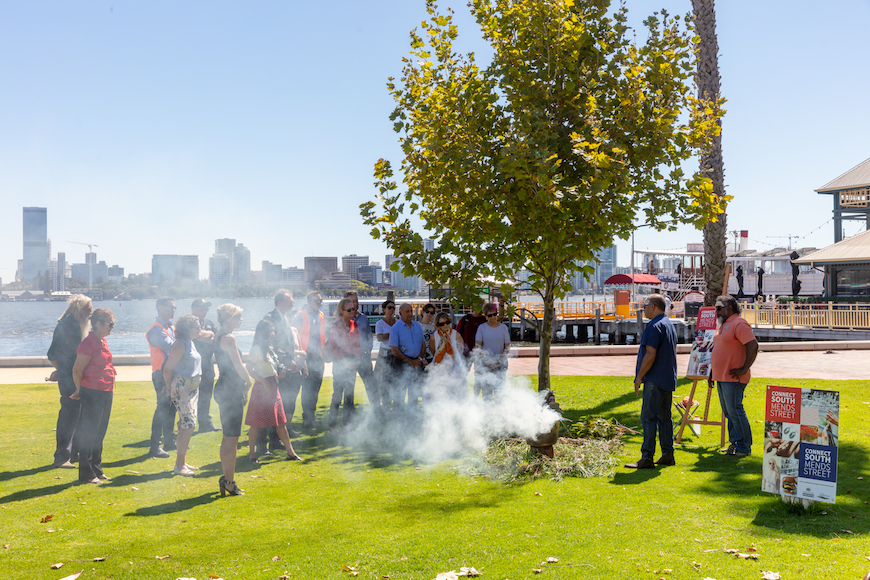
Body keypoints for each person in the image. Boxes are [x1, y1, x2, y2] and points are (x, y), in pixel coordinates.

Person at [626, 294, 678, 469]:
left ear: (654, 306)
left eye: (645, 305)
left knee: (648, 417)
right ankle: (667, 454)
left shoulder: (654, 326)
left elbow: (650, 354)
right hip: (667, 378)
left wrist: (639, 377)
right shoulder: (668, 324)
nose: (643, 309)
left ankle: (647, 456)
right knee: (665, 418)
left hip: (655, 379)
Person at [245, 320, 303, 463]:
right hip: (262, 388)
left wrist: (278, 376)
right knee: (256, 423)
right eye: (271, 331)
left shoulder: (270, 348)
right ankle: (251, 454)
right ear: (265, 332)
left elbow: (269, 370)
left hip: (273, 386)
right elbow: (249, 368)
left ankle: (291, 452)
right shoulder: (256, 349)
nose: (273, 333)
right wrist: (263, 381)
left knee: (280, 422)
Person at [70, 308, 117, 484]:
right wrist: (80, 390)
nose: (112, 327)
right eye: (110, 324)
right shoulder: (88, 343)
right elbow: (77, 370)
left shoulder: (102, 341)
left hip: (105, 391)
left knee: (100, 432)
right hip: (92, 392)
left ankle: (96, 468)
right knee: (89, 432)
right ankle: (86, 473)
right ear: (98, 324)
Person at [709, 294, 758, 457]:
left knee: (735, 410)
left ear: (729, 308)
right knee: (729, 412)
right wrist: (712, 371)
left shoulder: (739, 323)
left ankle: (744, 447)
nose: (716, 311)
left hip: (733, 378)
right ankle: (735, 443)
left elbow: (752, 345)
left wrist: (744, 368)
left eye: (719, 308)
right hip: (721, 376)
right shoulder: (723, 324)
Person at [47, 294, 92, 468]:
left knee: (78, 415)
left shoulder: (79, 324)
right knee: (69, 414)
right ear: (79, 309)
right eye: (88, 308)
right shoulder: (66, 326)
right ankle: (61, 457)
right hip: (69, 377)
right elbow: (53, 354)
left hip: (77, 375)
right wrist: (61, 371)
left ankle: (74, 454)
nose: (91, 311)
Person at [213, 303, 254, 496]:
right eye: (238, 317)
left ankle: (227, 478)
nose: (241, 320)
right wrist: (249, 381)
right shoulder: (228, 338)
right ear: (229, 318)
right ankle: (229, 482)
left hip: (227, 388)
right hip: (229, 390)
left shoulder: (218, 335)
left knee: (230, 437)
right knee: (231, 438)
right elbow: (238, 365)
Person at [260, 290, 306, 453]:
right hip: (275, 369)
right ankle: (261, 445)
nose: (293, 303)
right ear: (280, 302)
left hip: (288, 369)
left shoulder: (285, 318)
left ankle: (275, 440)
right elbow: (271, 345)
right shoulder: (269, 318)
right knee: (270, 406)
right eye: (290, 301)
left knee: (282, 405)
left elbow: (288, 343)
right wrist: (287, 361)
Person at [162, 314, 203, 477]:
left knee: (185, 426)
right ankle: (179, 466)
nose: (200, 329)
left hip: (192, 390)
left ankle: (182, 462)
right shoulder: (179, 344)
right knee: (188, 425)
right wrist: (167, 387)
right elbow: (167, 368)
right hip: (182, 389)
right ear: (188, 328)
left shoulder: (191, 342)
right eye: (197, 326)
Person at [146, 297, 177, 458]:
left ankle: (169, 441)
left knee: (171, 408)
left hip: (169, 372)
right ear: (160, 308)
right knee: (162, 408)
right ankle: (155, 446)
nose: (174, 310)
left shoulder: (170, 327)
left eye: (174, 307)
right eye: (171, 307)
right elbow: (172, 348)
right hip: (160, 373)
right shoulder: (156, 329)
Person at [292, 291, 326, 430]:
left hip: (319, 356)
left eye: (320, 301)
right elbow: (293, 336)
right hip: (306, 357)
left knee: (316, 388)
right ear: (309, 301)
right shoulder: (301, 315)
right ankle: (307, 419)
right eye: (317, 301)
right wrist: (299, 357)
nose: (319, 303)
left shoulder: (321, 316)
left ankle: (312, 416)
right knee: (307, 389)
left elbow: (322, 336)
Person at [328, 298, 362, 430]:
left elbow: (357, 343)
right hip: (340, 363)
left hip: (352, 362)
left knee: (349, 396)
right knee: (337, 396)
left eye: (353, 308)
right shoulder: (336, 325)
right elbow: (334, 346)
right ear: (342, 311)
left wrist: (358, 358)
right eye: (349, 309)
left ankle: (347, 425)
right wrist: (345, 362)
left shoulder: (354, 324)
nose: (352, 311)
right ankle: (333, 427)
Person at [389, 303, 427, 410]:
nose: (410, 314)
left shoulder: (417, 326)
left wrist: (419, 359)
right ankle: (399, 420)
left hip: (417, 363)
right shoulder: (395, 328)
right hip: (401, 364)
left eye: (411, 311)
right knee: (399, 394)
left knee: (414, 393)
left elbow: (423, 344)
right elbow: (394, 350)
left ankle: (412, 419)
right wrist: (411, 362)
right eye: (407, 312)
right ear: (400, 313)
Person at [345, 291, 379, 410]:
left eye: (356, 301)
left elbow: (369, 337)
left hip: (364, 357)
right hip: (349, 359)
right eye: (352, 301)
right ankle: (349, 416)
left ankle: (377, 411)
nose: (355, 304)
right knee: (349, 389)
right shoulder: (341, 320)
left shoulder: (363, 318)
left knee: (371, 385)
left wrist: (368, 352)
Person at [191, 299, 219, 433]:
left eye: (207, 309)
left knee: (206, 396)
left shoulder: (209, 323)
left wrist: (207, 336)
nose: (205, 311)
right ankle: (188, 424)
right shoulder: (188, 323)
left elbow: (216, 338)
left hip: (207, 365)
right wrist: (208, 336)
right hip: (192, 366)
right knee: (191, 396)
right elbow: (198, 336)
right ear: (194, 308)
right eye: (203, 308)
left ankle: (205, 424)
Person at [473, 302, 511, 400]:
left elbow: (507, 347)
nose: (492, 317)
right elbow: (478, 347)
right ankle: (487, 413)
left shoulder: (503, 328)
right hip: (485, 365)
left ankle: (499, 413)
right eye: (489, 315)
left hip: (501, 365)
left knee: (499, 393)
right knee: (487, 394)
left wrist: (499, 361)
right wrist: (487, 362)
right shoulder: (481, 328)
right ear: (485, 316)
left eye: (494, 314)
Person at [428, 312, 466, 400]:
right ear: (438, 325)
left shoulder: (456, 334)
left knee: (455, 391)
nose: (445, 325)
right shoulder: (434, 336)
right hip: (439, 366)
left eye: (447, 322)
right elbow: (433, 351)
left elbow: (461, 349)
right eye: (442, 324)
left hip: (454, 366)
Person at [373, 300, 397, 412]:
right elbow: (379, 338)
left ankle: (395, 405)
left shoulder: (397, 322)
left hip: (395, 353)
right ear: (384, 309)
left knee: (395, 380)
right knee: (383, 381)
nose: (391, 309)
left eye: (393, 307)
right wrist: (391, 334)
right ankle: (385, 406)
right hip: (384, 354)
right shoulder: (380, 323)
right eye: (389, 307)